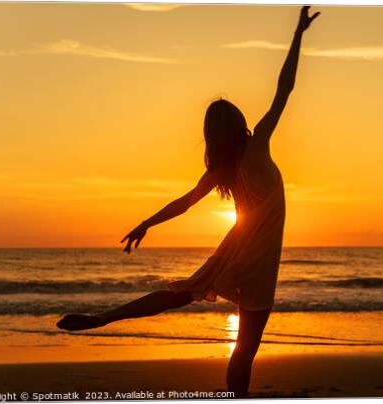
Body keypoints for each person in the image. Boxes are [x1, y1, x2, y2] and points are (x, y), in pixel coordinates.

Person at [57, 6, 320, 397]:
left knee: (179, 295)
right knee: (245, 350)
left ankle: (105, 317)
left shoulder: (221, 171)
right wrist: (299, 34)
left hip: (235, 248)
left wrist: (146, 223)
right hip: (259, 258)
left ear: (212, 135)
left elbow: (183, 203)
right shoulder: (258, 145)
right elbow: (285, 90)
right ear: (238, 123)